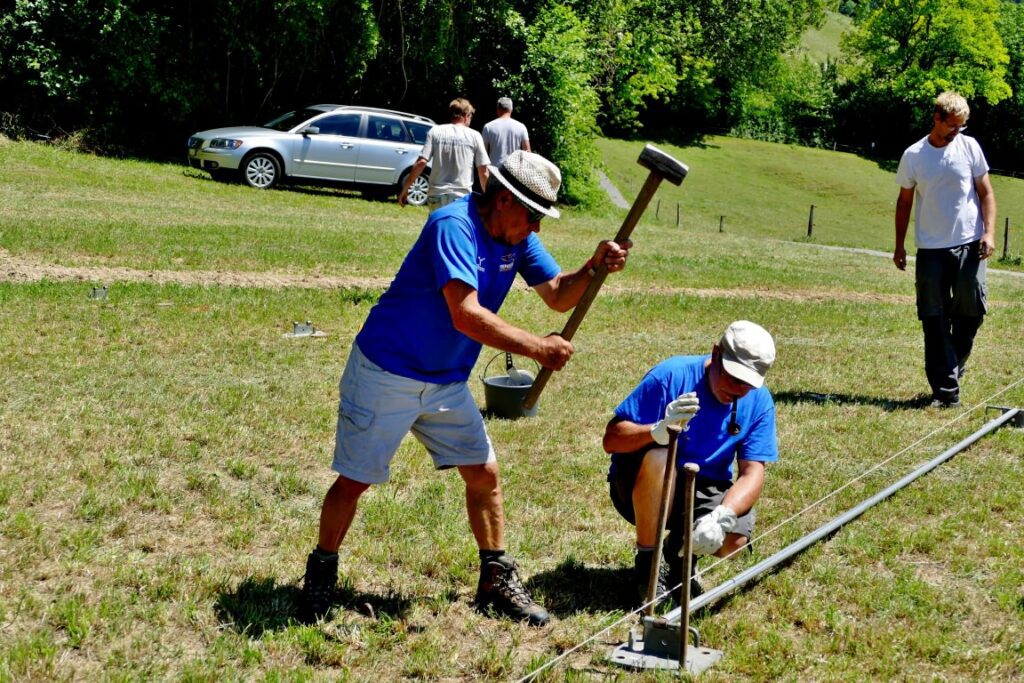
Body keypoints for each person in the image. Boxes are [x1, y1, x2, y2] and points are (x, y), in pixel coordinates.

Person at [303, 150, 632, 626]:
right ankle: (321, 576)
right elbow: (465, 313)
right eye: (533, 215)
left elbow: (560, 294)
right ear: (503, 200)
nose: (536, 227)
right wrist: (539, 348)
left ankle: (495, 581)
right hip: (386, 372)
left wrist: (593, 266)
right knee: (355, 480)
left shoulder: (516, 238)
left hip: (445, 383)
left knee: (485, 475)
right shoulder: (452, 225)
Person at [602, 321, 778, 604]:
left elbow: (753, 471)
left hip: (704, 486)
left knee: (734, 540)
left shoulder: (760, 402)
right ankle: (649, 566)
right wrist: (656, 430)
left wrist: (724, 516)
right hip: (642, 482)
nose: (736, 389)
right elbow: (611, 438)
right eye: (732, 377)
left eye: (746, 384)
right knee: (660, 454)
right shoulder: (670, 376)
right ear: (716, 354)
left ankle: (678, 552)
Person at [894, 91, 997, 408]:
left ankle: (950, 367)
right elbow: (904, 202)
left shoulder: (969, 147)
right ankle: (947, 393)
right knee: (934, 318)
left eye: (961, 126)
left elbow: (986, 193)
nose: (957, 132)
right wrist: (899, 245)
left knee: (971, 312)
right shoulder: (914, 155)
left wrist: (989, 233)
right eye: (953, 125)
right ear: (936, 119)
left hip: (970, 244)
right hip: (931, 249)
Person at [398, 98, 490, 212]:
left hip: (437, 195)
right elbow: (483, 171)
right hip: (461, 198)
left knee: (438, 229)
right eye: (471, 116)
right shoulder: (474, 136)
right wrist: (489, 197)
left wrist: (406, 188)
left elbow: (421, 162)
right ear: (466, 115)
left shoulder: (435, 131)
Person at [482, 97, 531, 167]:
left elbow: (483, 155)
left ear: (498, 109)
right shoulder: (521, 127)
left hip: (495, 171)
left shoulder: (488, 127)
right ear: (511, 109)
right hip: (514, 171)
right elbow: (527, 153)